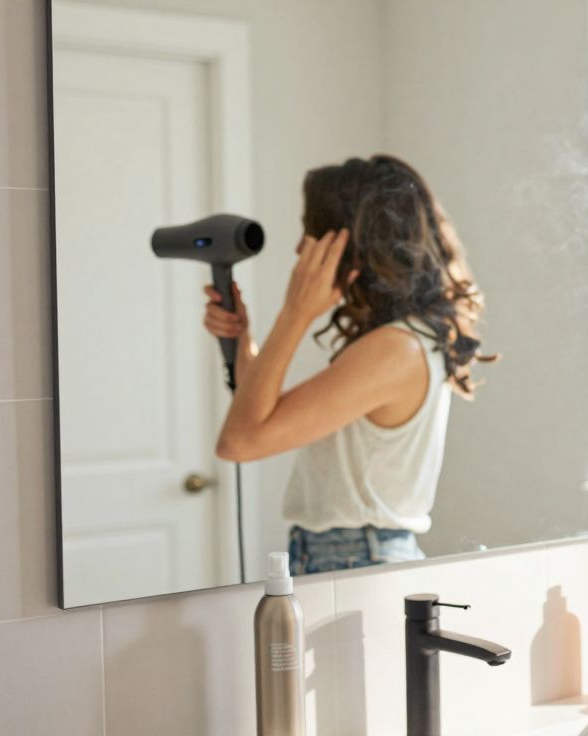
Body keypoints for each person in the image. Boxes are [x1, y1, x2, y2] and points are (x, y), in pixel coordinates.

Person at [207, 154, 496, 575]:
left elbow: (239, 442)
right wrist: (241, 338)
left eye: (309, 231)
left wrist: (295, 314)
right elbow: (261, 416)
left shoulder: (395, 350)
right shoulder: (403, 339)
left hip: (353, 555)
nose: (298, 248)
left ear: (343, 244)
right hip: (351, 552)